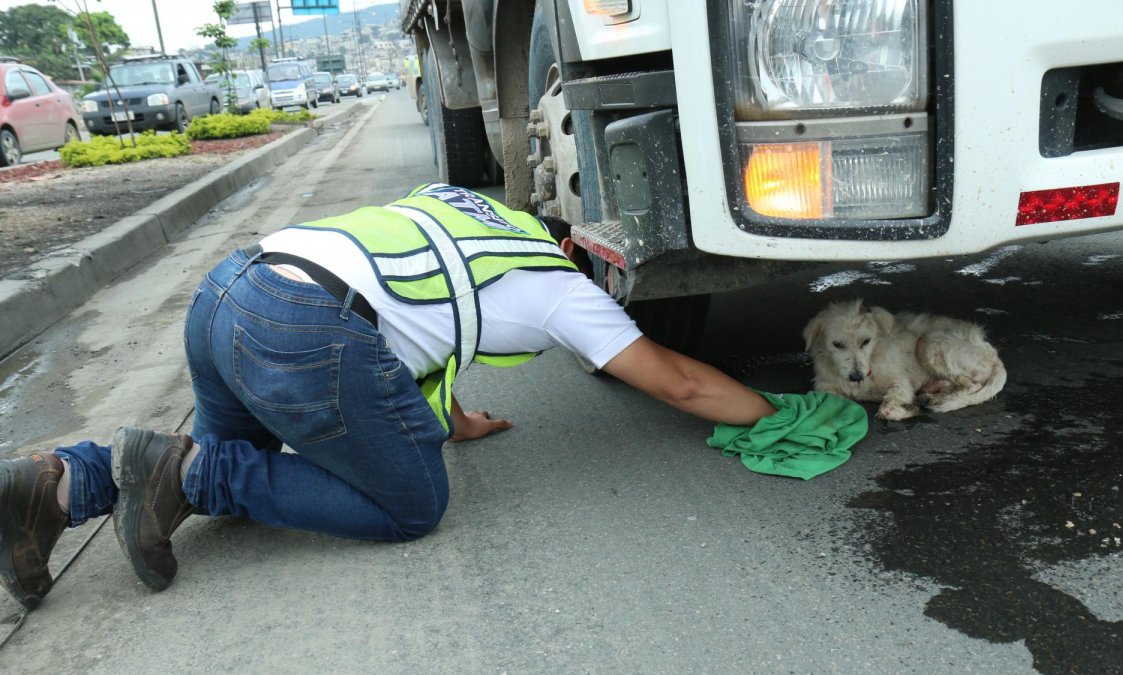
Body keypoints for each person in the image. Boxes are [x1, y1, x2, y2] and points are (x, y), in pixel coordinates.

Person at [0, 183, 776, 609]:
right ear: (567, 247)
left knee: (234, 457)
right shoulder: (559, 288)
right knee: (409, 505)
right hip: (300, 330)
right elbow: (679, 380)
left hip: (229, 294)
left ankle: (59, 484)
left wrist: (458, 419)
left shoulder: (461, 206)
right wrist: (780, 412)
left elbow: (429, 318)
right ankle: (188, 475)